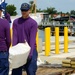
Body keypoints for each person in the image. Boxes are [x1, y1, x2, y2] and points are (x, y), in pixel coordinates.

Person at [12, 3, 38, 75]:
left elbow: (32, 39)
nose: (23, 12)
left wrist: (30, 54)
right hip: (19, 50)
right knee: (16, 72)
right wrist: (14, 51)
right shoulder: (16, 22)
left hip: (31, 49)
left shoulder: (33, 23)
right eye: (22, 10)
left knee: (30, 71)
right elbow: (15, 37)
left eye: (25, 10)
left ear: (29, 11)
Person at [0, 5, 11, 75]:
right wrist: (7, 48)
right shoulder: (5, 23)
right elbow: (9, 40)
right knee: (3, 71)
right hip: (2, 50)